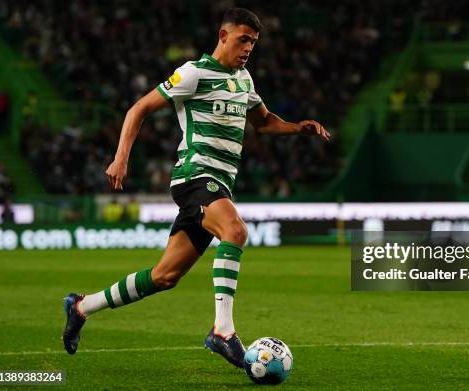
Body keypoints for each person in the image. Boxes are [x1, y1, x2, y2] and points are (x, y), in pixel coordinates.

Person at [62, 8, 330, 369]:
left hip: (219, 183)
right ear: (223, 35)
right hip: (195, 177)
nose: (249, 47)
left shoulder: (244, 80)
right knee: (235, 231)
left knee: (164, 276)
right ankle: (222, 331)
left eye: (253, 42)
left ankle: (81, 307)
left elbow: (263, 122)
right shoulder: (193, 73)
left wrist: (299, 128)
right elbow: (138, 108)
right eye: (243, 39)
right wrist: (121, 158)